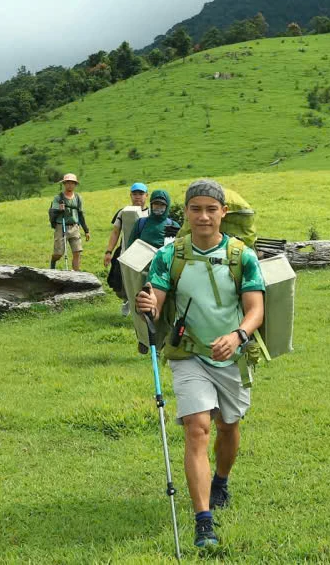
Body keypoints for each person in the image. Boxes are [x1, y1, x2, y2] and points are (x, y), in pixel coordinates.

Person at [135, 179, 264, 548]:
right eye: (196, 209)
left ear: (223, 212)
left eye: (211, 209)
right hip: (188, 353)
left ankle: (220, 480)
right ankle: (203, 521)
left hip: (232, 355)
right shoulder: (169, 255)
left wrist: (237, 336)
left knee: (228, 426)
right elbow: (157, 296)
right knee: (196, 428)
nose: (203, 216)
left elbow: (255, 309)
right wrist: (150, 305)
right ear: (186, 214)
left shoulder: (243, 257)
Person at [102, 183, 149, 315]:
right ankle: (126, 300)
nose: (138, 197)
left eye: (141, 194)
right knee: (121, 282)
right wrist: (109, 251)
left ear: (146, 195)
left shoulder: (150, 213)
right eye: (135, 194)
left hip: (144, 253)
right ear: (130, 195)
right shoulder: (123, 212)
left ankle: (139, 307)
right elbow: (116, 232)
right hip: (124, 252)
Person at [48, 173, 90, 270]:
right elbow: (53, 211)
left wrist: (86, 230)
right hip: (61, 226)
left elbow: (80, 214)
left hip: (74, 227)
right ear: (64, 184)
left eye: (72, 183)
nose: (70, 185)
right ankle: (53, 261)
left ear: (75, 185)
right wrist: (59, 209)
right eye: (67, 183)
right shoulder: (58, 198)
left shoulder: (78, 198)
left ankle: (76, 274)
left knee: (77, 252)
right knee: (58, 253)